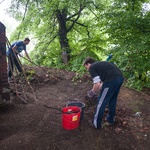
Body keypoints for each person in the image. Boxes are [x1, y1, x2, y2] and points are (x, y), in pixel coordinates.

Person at [83, 57, 124, 129]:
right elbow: (101, 84)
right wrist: (97, 89)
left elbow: (97, 84)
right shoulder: (101, 65)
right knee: (112, 100)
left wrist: (92, 92)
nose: (87, 69)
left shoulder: (92, 67)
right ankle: (110, 120)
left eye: (86, 67)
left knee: (101, 102)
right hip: (120, 78)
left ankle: (96, 124)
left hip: (111, 80)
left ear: (88, 64)